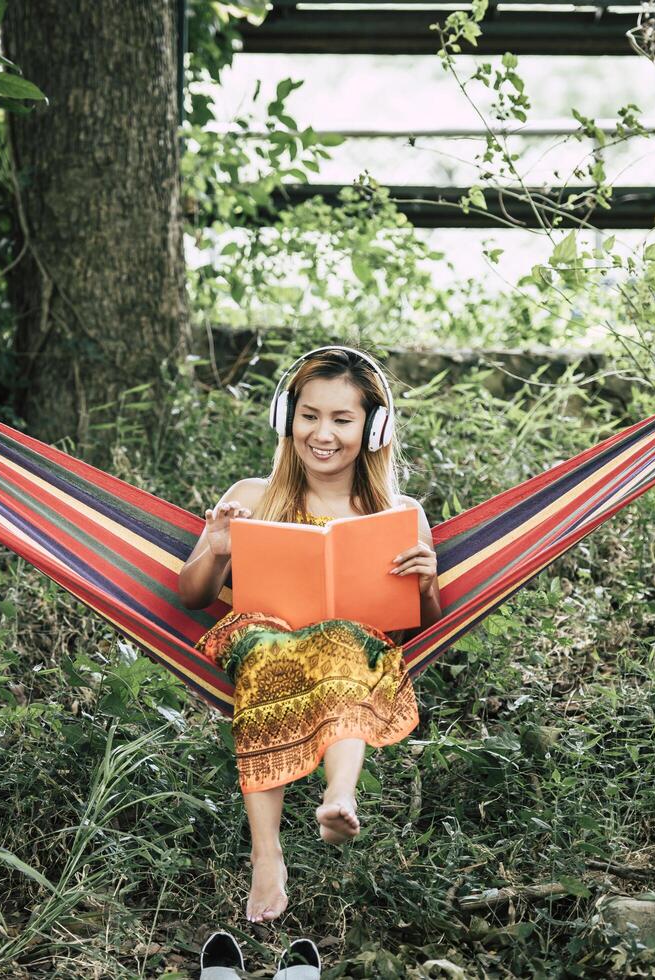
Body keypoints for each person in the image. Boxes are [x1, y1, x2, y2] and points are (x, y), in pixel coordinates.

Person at [178, 346, 442, 924]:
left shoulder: (400, 514)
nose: (323, 434)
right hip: (265, 643)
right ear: (286, 418)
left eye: (342, 420)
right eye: (309, 415)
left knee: (347, 638)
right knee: (269, 648)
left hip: (349, 654)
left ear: (374, 429)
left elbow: (421, 623)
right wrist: (218, 549)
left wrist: (426, 584)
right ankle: (266, 854)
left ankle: (339, 795)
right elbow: (191, 595)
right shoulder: (250, 498)